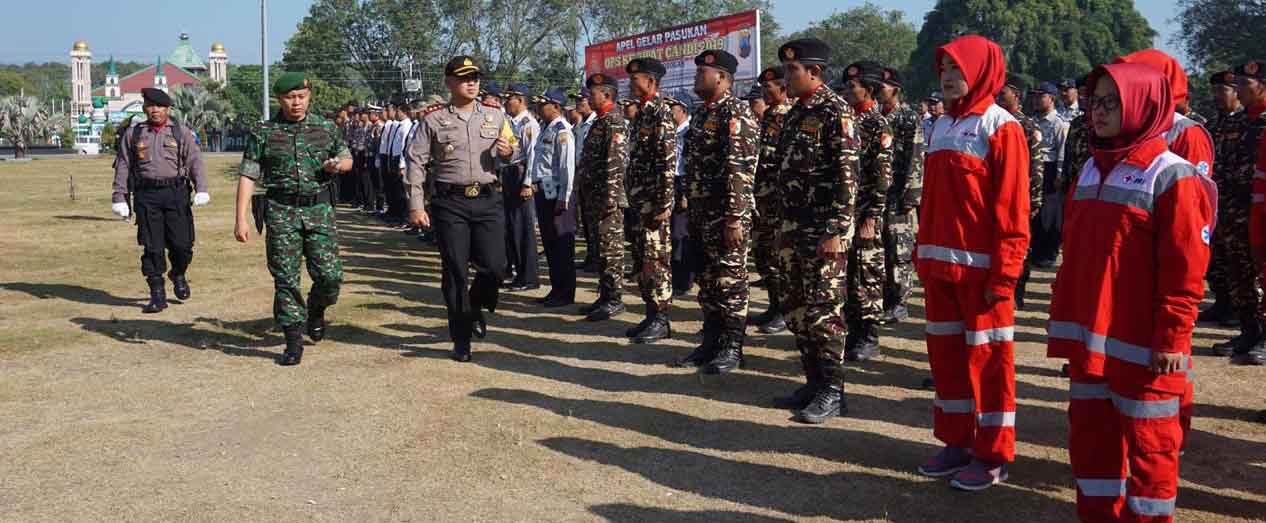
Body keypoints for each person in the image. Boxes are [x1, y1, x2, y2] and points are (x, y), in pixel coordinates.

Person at [1048, 62, 1212, 523]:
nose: (1096, 112)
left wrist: (1173, 339)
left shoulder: (1171, 174)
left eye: (1110, 102)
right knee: (1091, 445)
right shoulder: (1089, 167)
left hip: (1144, 350)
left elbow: (1185, 272)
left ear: (1141, 104)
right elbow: (1077, 258)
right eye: (1094, 101)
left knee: (1150, 454)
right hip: (1091, 346)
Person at [914, 35, 1029, 491]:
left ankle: (993, 453)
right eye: (943, 69)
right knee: (947, 363)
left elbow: (1013, 209)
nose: (947, 78)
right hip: (938, 272)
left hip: (982, 278)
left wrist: (1005, 276)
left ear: (981, 73)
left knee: (990, 364)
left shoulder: (1001, 128)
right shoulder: (940, 126)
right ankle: (957, 443)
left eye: (957, 70)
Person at [765, 38, 859, 424]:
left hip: (823, 231)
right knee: (796, 308)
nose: (787, 78)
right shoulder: (794, 113)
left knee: (824, 313)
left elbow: (847, 176)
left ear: (815, 73)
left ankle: (833, 391)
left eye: (792, 71)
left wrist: (836, 228)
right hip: (792, 227)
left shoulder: (836, 112)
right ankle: (813, 381)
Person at [233, 72, 352, 366]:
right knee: (285, 278)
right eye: (290, 97)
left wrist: (338, 165)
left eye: (301, 97)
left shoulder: (325, 128)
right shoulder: (263, 131)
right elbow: (249, 174)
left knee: (330, 276)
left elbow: (347, 158)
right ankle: (293, 339)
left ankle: (316, 308)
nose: (296, 103)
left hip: (319, 212)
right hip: (281, 211)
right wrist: (241, 218)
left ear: (309, 97)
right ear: (279, 98)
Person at [405, 56, 518, 362]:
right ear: (449, 82)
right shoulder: (433, 120)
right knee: (455, 270)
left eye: (475, 77)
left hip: (487, 198)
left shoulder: (496, 116)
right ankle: (461, 336)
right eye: (465, 77)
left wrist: (510, 153)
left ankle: (475, 306)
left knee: (495, 267)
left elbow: (512, 151)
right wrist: (416, 205)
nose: (472, 83)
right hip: (450, 202)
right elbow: (415, 162)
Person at [669, 49, 758, 374]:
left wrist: (735, 218)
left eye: (701, 73)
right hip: (702, 216)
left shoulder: (736, 114)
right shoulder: (705, 114)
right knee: (708, 283)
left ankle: (732, 348)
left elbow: (740, 171)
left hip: (726, 218)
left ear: (721, 77)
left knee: (731, 282)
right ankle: (711, 342)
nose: (695, 78)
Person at [111, 87, 209, 313]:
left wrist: (201, 188)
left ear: (168, 108)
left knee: (182, 245)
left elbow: (194, 161)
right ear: (145, 108)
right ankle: (157, 294)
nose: (155, 110)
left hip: (176, 193)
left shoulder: (180, 132)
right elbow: (123, 165)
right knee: (152, 247)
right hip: (147, 195)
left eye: (160, 106)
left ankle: (178, 273)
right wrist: (120, 197)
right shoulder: (134, 134)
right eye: (150, 106)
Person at [835, 61, 895, 363]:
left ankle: (868, 336)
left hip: (866, 213)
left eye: (852, 87)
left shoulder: (877, 123)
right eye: (845, 86)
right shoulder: (846, 120)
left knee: (867, 273)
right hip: (846, 211)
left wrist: (872, 216)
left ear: (868, 90)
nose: (847, 91)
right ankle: (852, 330)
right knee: (847, 274)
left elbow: (882, 177)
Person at [623, 57, 678, 344]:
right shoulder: (643, 113)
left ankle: (661, 319)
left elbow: (667, 163)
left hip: (654, 205)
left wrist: (664, 204)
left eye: (636, 79)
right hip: (640, 202)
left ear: (651, 82)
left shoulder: (661, 113)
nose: (632, 83)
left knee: (657, 261)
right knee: (645, 261)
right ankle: (650, 314)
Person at [577, 74, 631, 322]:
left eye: (593, 93)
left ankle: (614, 299)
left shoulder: (614, 122)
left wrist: (610, 197)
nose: (589, 97)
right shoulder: (600, 121)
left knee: (612, 251)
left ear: (607, 95)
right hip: (595, 197)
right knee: (600, 250)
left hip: (608, 199)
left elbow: (615, 162)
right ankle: (604, 295)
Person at [747, 66, 793, 335]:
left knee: (778, 258)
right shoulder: (766, 119)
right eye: (763, 88)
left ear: (783, 89)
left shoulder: (789, 117)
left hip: (779, 202)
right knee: (763, 255)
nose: (765, 92)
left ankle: (785, 312)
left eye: (770, 87)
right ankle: (774, 305)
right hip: (762, 201)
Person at [878, 67, 925, 325]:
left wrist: (911, 196)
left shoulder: (908, 118)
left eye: (883, 87)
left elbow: (915, 157)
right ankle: (885, 297)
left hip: (899, 194)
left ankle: (899, 301)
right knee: (880, 248)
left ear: (896, 89)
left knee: (899, 249)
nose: (878, 92)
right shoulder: (876, 115)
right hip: (878, 194)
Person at [998, 79, 1047, 311]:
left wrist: (1034, 200)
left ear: (1016, 95)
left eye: (1004, 92)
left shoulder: (1027, 126)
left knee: (1021, 249)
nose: (998, 95)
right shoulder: (994, 121)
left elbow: (1035, 167)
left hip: (1022, 198)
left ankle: (1018, 292)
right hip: (999, 198)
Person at [528, 88, 578, 307]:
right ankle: (556, 288)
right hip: (544, 191)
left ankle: (565, 293)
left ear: (556, 107)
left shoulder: (562, 130)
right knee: (549, 243)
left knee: (561, 245)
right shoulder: (545, 128)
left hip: (557, 193)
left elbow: (566, 166)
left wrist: (564, 197)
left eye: (544, 104)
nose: (539, 108)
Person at [1202, 70, 1244, 327]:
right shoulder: (1212, 125)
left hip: (1237, 205)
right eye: (1215, 91)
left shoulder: (1248, 123)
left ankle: (1240, 312)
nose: (1218, 96)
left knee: (1237, 261)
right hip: (1214, 205)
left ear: (1236, 92)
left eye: (1223, 91)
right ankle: (1222, 303)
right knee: (1215, 258)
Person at [1232, 60, 1266, 366]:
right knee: (1241, 275)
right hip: (1237, 212)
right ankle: (1249, 330)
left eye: (1245, 84)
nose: (1239, 90)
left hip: (1258, 211)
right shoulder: (1240, 121)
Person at [501, 83, 541, 292]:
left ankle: (529, 277)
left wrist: (528, 182)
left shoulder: (529, 124)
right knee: (512, 228)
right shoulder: (510, 122)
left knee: (524, 229)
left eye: (510, 98)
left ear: (521, 100)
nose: (506, 102)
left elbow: (533, 155)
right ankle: (519, 273)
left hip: (521, 176)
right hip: (509, 174)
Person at [1029, 81, 1070, 268]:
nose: (1036, 100)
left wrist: (1059, 175)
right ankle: (1035, 251)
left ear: (1051, 99)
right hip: (1034, 168)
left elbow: (1062, 150)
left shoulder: (1058, 123)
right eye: (1035, 96)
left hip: (1051, 169)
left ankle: (1048, 253)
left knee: (1050, 214)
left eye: (1041, 96)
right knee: (1034, 212)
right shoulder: (1032, 121)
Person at [666, 97, 696, 297]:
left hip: (685, 183)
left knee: (681, 234)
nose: (669, 112)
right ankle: (677, 278)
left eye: (673, 108)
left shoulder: (691, 130)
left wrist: (685, 193)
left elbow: (693, 163)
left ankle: (684, 281)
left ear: (683, 109)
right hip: (672, 182)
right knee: (672, 234)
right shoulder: (672, 131)